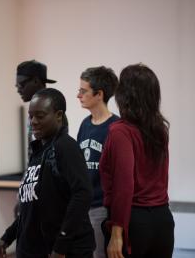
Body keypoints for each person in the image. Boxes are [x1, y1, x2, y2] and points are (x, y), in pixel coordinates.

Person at [0, 88, 95, 258]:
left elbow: (82, 194)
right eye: (31, 116)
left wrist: (61, 246)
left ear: (58, 115)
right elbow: (31, 208)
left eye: (40, 116)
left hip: (63, 251)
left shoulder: (65, 147)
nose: (33, 121)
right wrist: (8, 236)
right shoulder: (39, 152)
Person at [99, 64, 174, 258]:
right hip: (163, 220)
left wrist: (117, 233)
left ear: (125, 94)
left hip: (134, 222)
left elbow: (124, 184)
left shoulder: (120, 131)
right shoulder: (160, 130)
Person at [76, 66, 119, 258]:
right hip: (82, 207)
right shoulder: (85, 124)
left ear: (99, 94)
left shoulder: (116, 128)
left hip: (102, 209)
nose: (78, 95)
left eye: (83, 91)